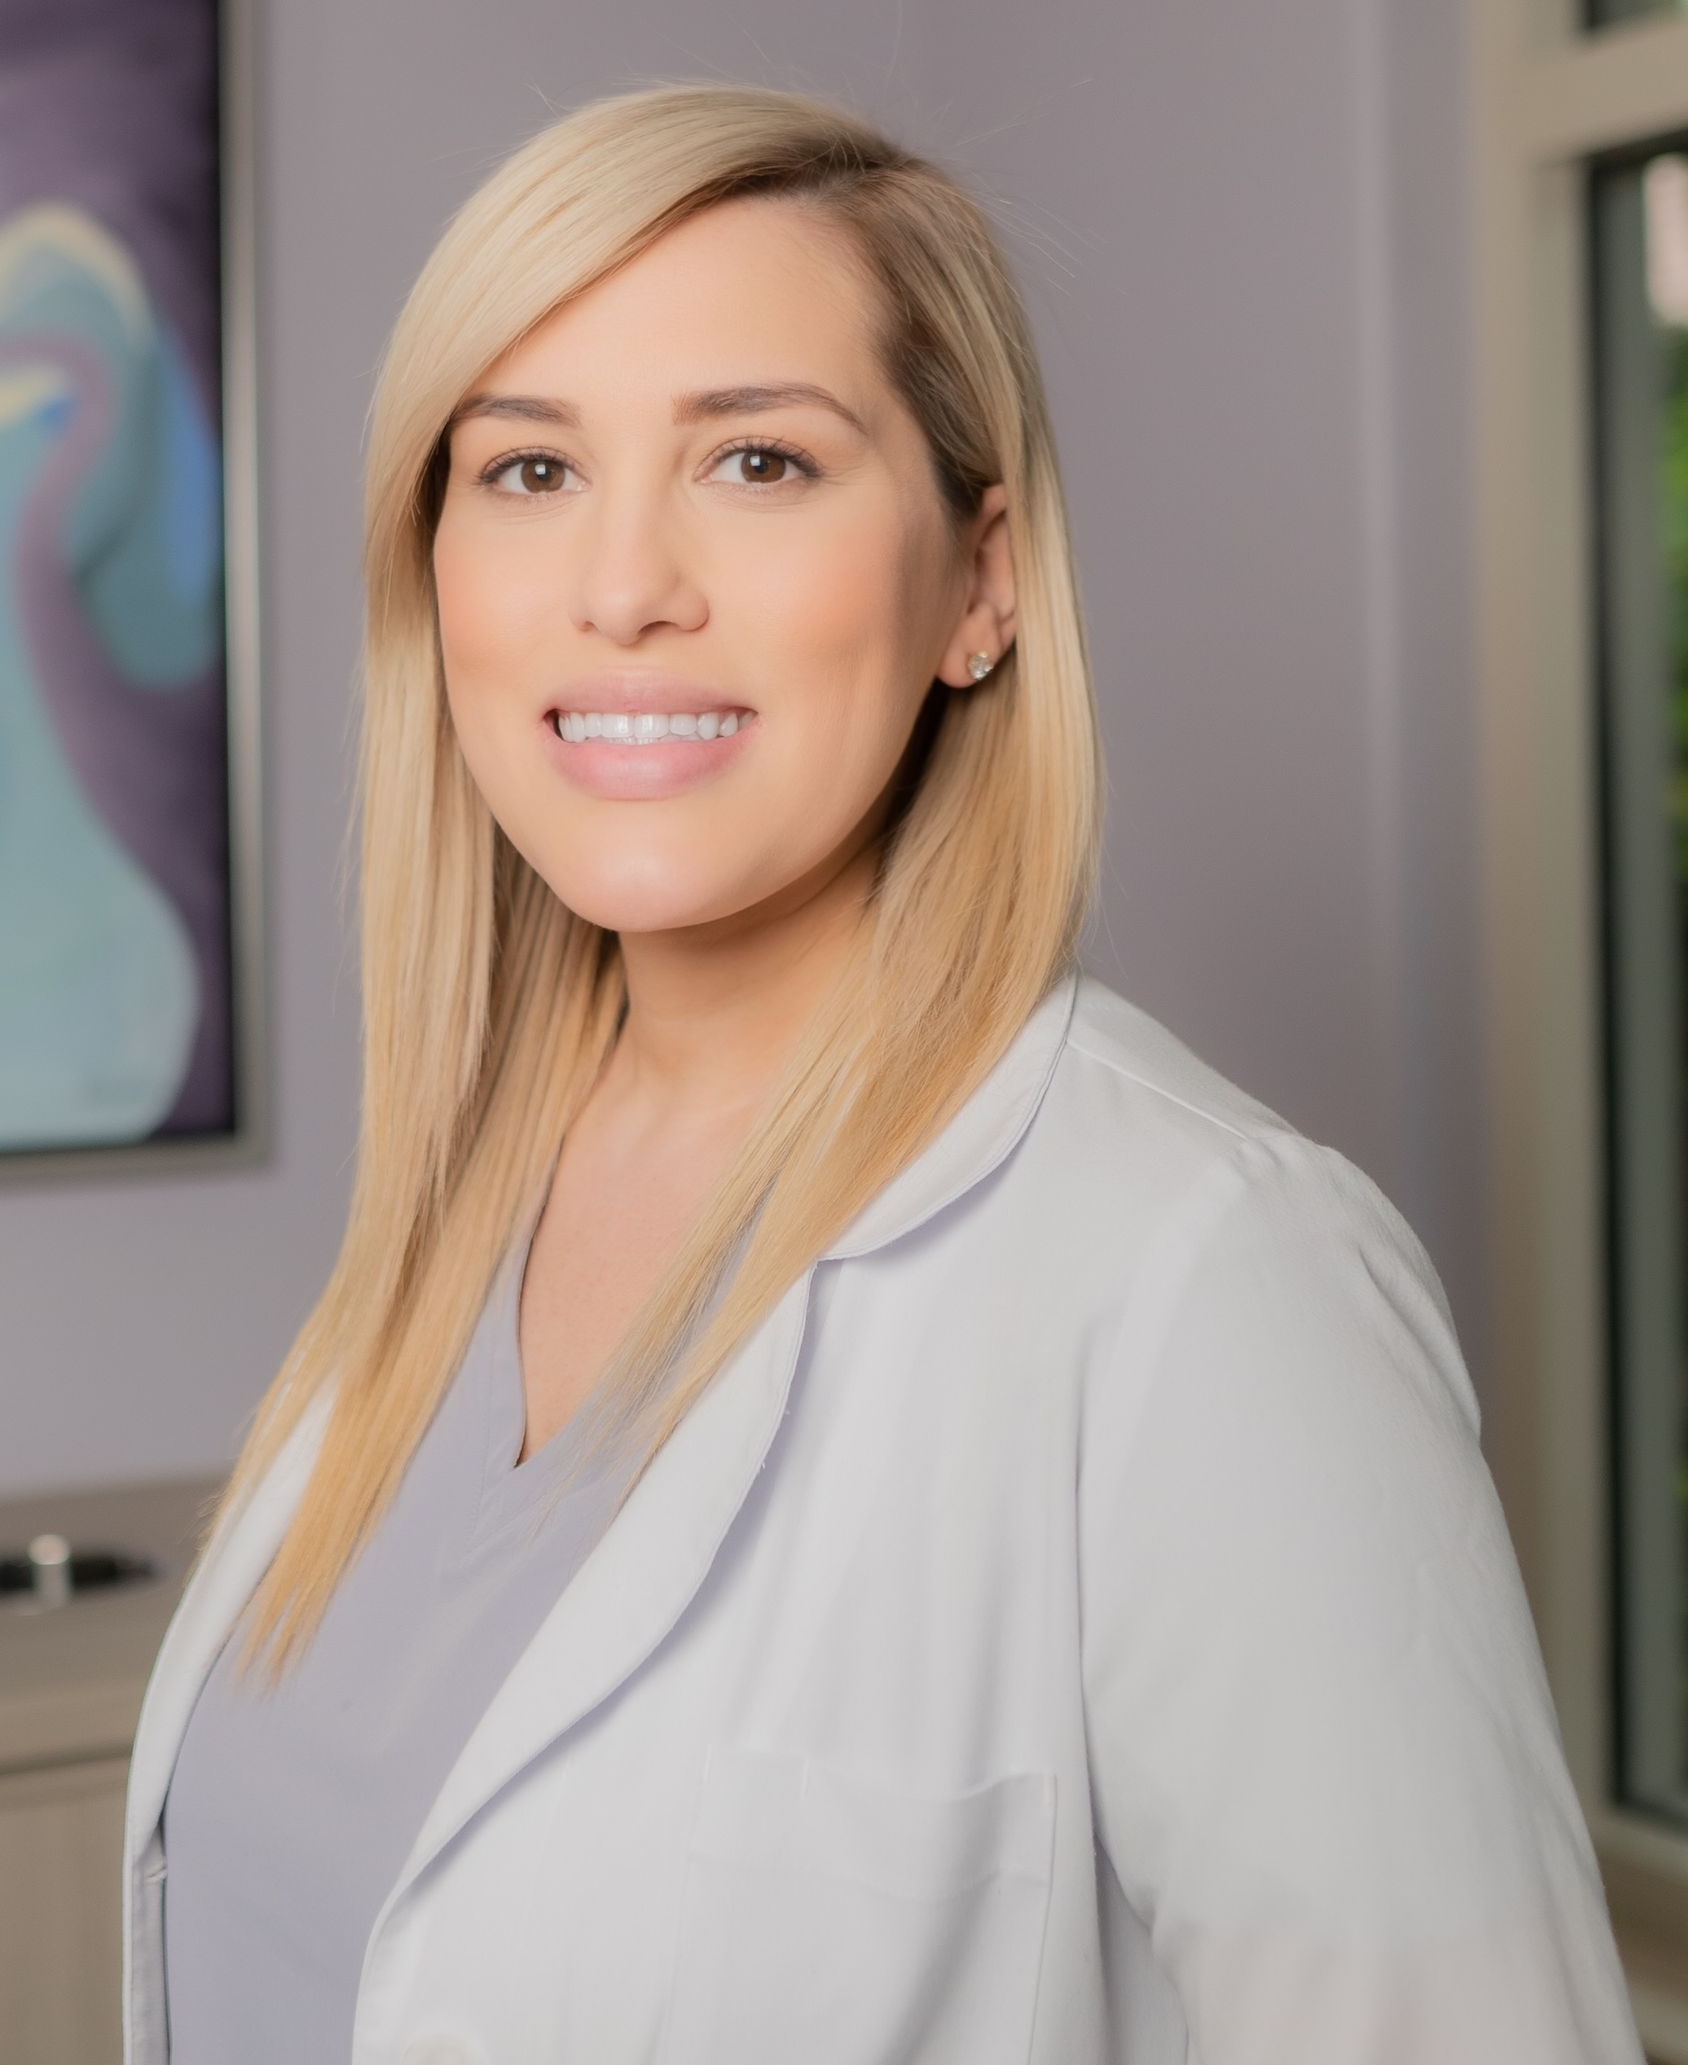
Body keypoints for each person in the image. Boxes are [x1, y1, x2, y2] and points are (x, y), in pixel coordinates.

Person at [120, 78, 1646, 2065]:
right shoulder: (455, 1220)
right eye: (526, 473)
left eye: (757, 460)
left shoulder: (1208, 1282)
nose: (624, 585)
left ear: (980, 582)